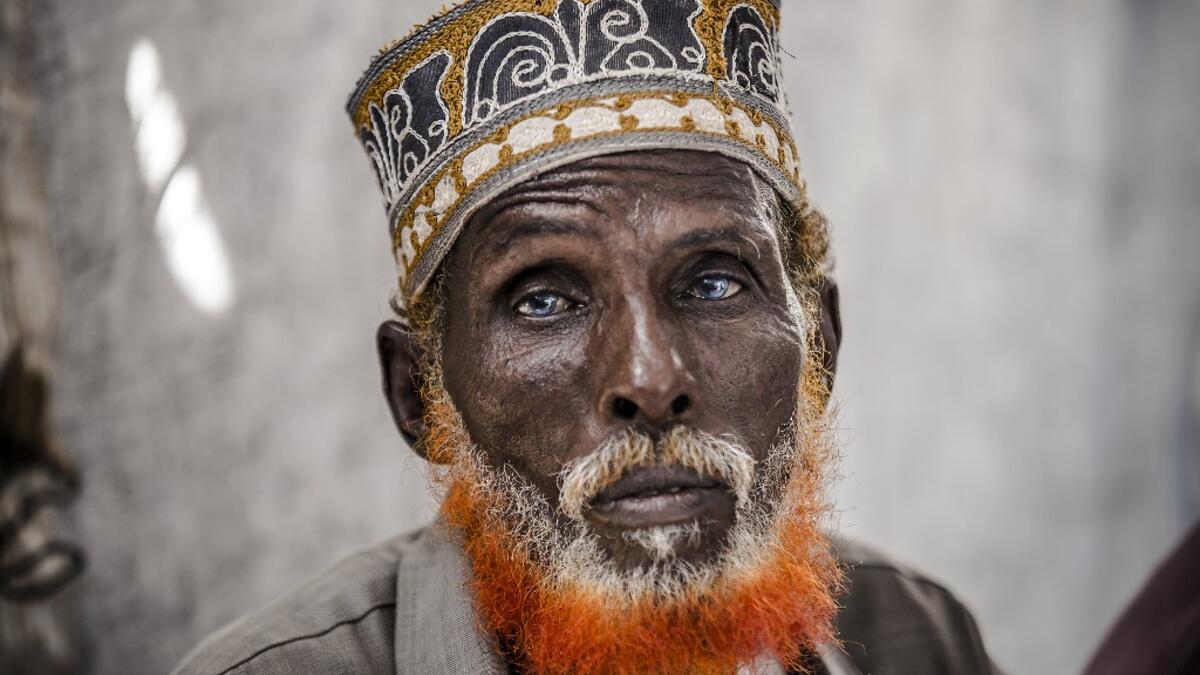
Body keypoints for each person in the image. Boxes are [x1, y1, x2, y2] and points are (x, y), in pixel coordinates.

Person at [175, 1, 1003, 672]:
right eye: (543, 301)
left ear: (819, 344)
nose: (649, 379)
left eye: (714, 282)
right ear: (418, 395)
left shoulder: (921, 637)